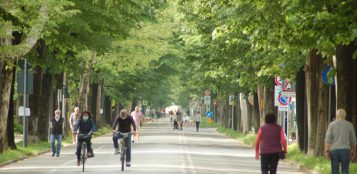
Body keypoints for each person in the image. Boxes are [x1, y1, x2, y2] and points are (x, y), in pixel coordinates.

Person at [324, 109, 356, 174]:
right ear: (345, 116)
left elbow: (328, 139)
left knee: (334, 170)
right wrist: (354, 151)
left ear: (337, 116)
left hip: (334, 151)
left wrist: (326, 151)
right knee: (345, 170)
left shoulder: (332, 125)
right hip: (346, 150)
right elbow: (353, 140)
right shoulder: (349, 125)